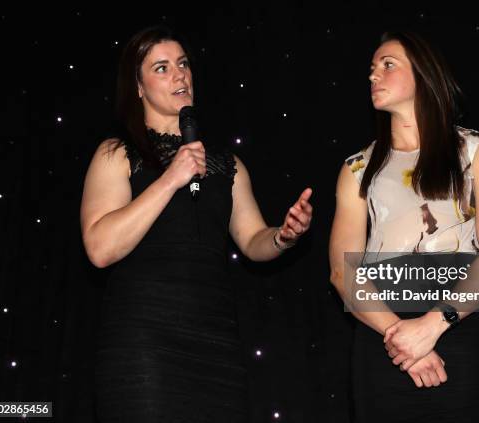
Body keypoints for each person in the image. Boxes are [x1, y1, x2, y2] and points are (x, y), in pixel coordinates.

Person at [80, 25, 313, 422]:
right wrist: (171, 178)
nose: (179, 75)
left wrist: (284, 237)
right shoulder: (116, 153)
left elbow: (253, 240)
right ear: (137, 87)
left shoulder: (226, 163)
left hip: (215, 343)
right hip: (145, 342)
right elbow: (100, 249)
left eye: (184, 64)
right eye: (162, 68)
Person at [329, 31, 479, 422]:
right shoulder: (356, 169)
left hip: (459, 330)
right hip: (382, 339)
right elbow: (342, 273)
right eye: (371, 68)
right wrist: (400, 335)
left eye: (387, 64)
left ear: (423, 74)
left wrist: (434, 324)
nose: (373, 75)